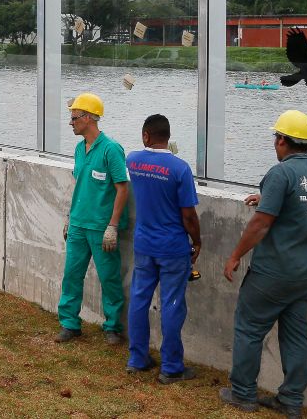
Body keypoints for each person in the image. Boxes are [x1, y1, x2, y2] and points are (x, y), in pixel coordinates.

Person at [220, 110, 307, 418]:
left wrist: (234, 256)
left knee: (249, 328)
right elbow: (302, 204)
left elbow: (261, 225)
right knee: (296, 335)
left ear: (282, 140)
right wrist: (267, 196)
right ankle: (291, 400)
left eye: (276, 137)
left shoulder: (280, 173)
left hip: (274, 273)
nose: (275, 142)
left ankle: (243, 393)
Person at [125, 114, 201, 383]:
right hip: (172, 248)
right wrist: (198, 240)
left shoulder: (132, 161)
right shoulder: (180, 169)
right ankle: (171, 367)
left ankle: (137, 358)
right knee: (171, 304)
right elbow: (189, 215)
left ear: (146, 135)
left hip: (144, 244)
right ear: (168, 137)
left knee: (139, 299)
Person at [56, 92, 129, 345]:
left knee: (108, 277)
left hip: (100, 227)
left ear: (88, 118)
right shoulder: (79, 149)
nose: (71, 123)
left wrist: (112, 226)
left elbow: (122, 188)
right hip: (78, 224)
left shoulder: (111, 150)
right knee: (71, 274)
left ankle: (112, 326)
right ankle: (69, 323)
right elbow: (80, 184)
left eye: (75, 118)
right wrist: (69, 216)